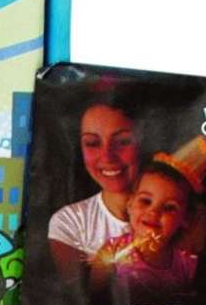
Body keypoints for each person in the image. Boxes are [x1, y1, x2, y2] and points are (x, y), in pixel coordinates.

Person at [47, 100, 141, 280]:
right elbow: (78, 293)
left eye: (122, 141)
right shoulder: (69, 222)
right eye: (92, 143)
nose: (107, 156)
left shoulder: (179, 213)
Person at [90, 159, 199, 294]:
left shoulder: (187, 265)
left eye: (169, 207)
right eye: (146, 201)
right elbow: (95, 296)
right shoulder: (112, 251)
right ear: (129, 204)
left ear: (185, 218)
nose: (154, 212)